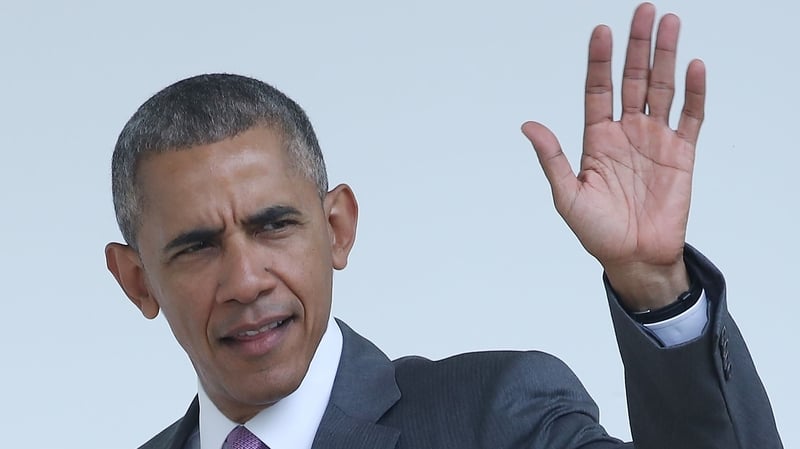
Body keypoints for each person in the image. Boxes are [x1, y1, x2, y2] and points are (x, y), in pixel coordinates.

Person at [105, 3, 782, 448]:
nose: (246, 279)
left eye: (274, 225)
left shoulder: (498, 417)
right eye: (197, 247)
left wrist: (654, 282)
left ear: (337, 227)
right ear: (138, 281)